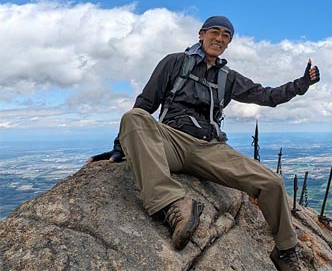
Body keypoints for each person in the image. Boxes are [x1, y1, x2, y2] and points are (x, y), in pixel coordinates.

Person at [88, 15, 319, 271]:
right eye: (215, 32)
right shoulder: (175, 62)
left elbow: (267, 96)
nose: (219, 39)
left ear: (228, 43)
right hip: (171, 141)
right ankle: (173, 204)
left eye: (226, 36)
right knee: (133, 117)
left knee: (272, 183)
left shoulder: (228, 77)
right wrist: (122, 146)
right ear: (201, 34)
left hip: (210, 148)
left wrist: (302, 84)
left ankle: (286, 251)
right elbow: (145, 105)